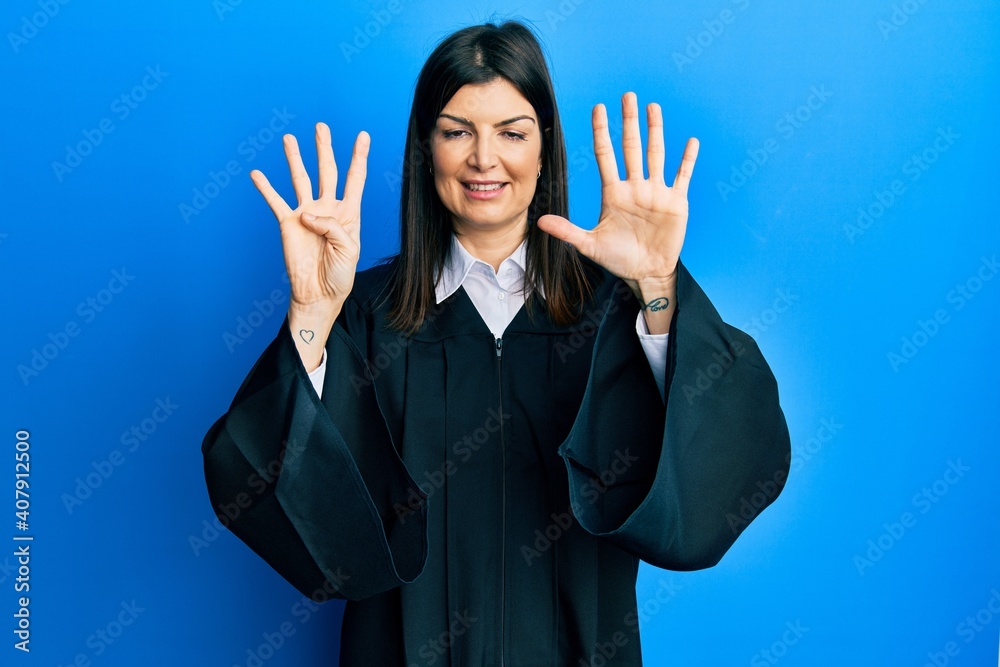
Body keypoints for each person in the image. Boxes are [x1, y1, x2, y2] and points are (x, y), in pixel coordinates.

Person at [201, 19, 791, 666]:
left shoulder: (612, 310)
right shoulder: (366, 314)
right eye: (457, 132)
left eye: (512, 132)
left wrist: (656, 286)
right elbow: (281, 494)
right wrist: (312, 315)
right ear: (427, 149)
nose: (485, 158)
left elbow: (716, 480)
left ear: (545, 150)